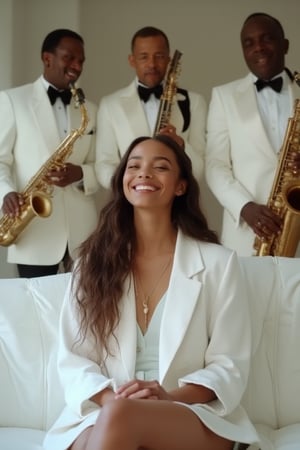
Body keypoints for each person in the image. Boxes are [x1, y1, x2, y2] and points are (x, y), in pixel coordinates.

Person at [43, 135, 259, 450]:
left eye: (160, 167)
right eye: (134, 166)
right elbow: (74, 359)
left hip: (192, 413)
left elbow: (229, 364)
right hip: (106, 410)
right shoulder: (91, 264)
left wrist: (168, 398)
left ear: (180, 186)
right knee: (114, 423)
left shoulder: (218, 264)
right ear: (123, 181)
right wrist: (114, 400)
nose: (144, 173)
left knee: (119, 422)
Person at [0, 29, 99, 278]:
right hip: (34, 229)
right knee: (37, 310)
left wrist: (80, 173)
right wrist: (6, 192)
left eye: (81, 61)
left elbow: (104, 165)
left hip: (82, 230)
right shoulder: (13, 100)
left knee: (84, 311)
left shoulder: (91, 109)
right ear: (47, 58)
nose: (77, 66)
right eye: (69, 58)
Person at [205, 12, 300, 256]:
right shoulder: (224, 97)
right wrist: (244, 207)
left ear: (285, 44)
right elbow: (215, 165)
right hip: (247, 234)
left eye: (267, 39)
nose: (258, 48)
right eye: (249, 43)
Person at [95, 26, 207, 190]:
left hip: (176, 203)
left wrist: (182, 145)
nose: (152, 64)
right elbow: (104, 163)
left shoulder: (195, 102)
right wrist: (129, 189)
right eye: (144, 57)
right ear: (132, 60)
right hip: (131, 203)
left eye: (159, 56)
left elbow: (199, 168)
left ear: (169, 60)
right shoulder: (110, 105)